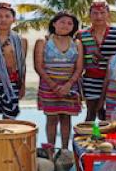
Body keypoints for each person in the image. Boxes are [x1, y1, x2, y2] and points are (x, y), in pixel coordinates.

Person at [35, 11, 83, 159]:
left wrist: (69, 84)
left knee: (66, 118)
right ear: (54, 23)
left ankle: (64, 151)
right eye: (62, 22)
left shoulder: (77, 43)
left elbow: (79, 67)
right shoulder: (43, 42)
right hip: (49, 87)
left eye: (70, 23)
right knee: (51, 119)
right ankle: (50, 150)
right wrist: (53, 85)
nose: (65, 25)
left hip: (70, 87)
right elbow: (39, 66)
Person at [75, 0, 116, 122]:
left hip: (114, 80)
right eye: (95, 13)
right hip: (91, 80)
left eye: (102, 12)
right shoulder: (81, 34)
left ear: (108, 14)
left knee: (110, 115)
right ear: (89, 15)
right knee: (91, 113)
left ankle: (111, 140)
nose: (98, 16)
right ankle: (88, 139)